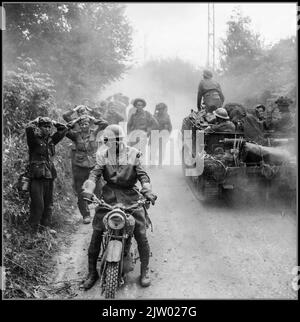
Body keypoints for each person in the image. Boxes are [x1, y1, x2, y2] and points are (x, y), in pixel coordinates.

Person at [81, 124, 157, 289]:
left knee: (141, 233)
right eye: (111, 141)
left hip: (131, 197)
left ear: (123, 140)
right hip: (109, 197)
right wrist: (88, 190)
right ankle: (92, 272)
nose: (116, 144)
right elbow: (94, 174)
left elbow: (143, 176)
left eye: (119, 140)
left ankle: (144, 271)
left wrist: (147, 191)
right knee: (97, 232)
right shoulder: (103, 155)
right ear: (106, 141)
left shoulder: (133, 153)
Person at [25, 116, 68, 233]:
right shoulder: (33, 140)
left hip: (49, 175)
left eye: (49, 127)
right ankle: (33, 231)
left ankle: (45, 229)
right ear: (39, 127)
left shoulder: (51, 140)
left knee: (49, 204)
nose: (48, 129)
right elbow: (28, 128)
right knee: (38, 205)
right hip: (37, 176)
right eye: (45, 126)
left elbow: (64, 129)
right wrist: (36, 120)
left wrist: (54, 122)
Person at [65, 115, 108, 224]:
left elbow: (105, 124)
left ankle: (102, 212)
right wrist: (76, 119)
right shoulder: (75, 135)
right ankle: (86, 215)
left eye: (86, 124)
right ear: (79, 126)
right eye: (82, 124)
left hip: (94, 166)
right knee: (81, 191)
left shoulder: (95, 132)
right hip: (79, 166)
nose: (84, 126)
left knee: (99, 189)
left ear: (89, 124)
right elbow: (65, 129)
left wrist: (91, 117)